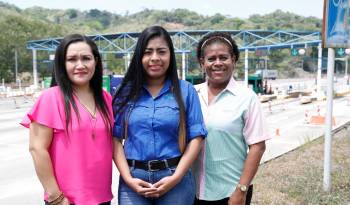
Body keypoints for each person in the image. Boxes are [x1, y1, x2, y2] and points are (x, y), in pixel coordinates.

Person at [112, 25, 207, 205]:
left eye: (161, 52)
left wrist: (176, 177)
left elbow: (197, 137)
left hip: (175, 178)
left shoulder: (186, 91)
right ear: (139, 56)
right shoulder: (126, 92)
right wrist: (128, 179)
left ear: (170, 55)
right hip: (133, 181)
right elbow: (115, 139)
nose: (155, 58)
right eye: (148, 52)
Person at [21, 34, 114, 205]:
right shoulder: (51, 98)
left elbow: (115, 143)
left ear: (96, 61)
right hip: (66, 200)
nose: (80, 65)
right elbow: (37, 148)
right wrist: (56, 196)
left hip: (102, 197)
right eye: (72, 59)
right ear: (62, 64)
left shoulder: (106, 98)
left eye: (86, 58)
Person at [193, 32, 270, 205]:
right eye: (211, 58)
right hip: (193, 192)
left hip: (230, 193)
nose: (218, 63)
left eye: (223, 57)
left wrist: (241, 190)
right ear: (202, 63)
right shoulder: (191, 94)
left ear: (233, 60)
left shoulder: (247, 98)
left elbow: (258, 146)